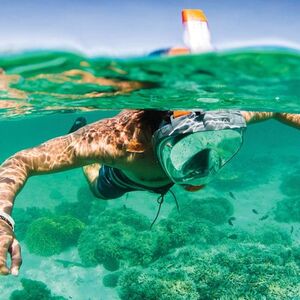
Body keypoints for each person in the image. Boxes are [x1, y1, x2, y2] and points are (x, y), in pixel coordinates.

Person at [0, 108, 299, 276]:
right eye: (185, 150)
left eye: (208, 143)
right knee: (97, 190)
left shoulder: (220, 118)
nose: (199, 159)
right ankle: (80, 139)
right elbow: (21, 161)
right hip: (124, 177)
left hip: (151, 171)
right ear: (160, 142)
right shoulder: (120, 143)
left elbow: (276, 110)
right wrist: (3, 220)